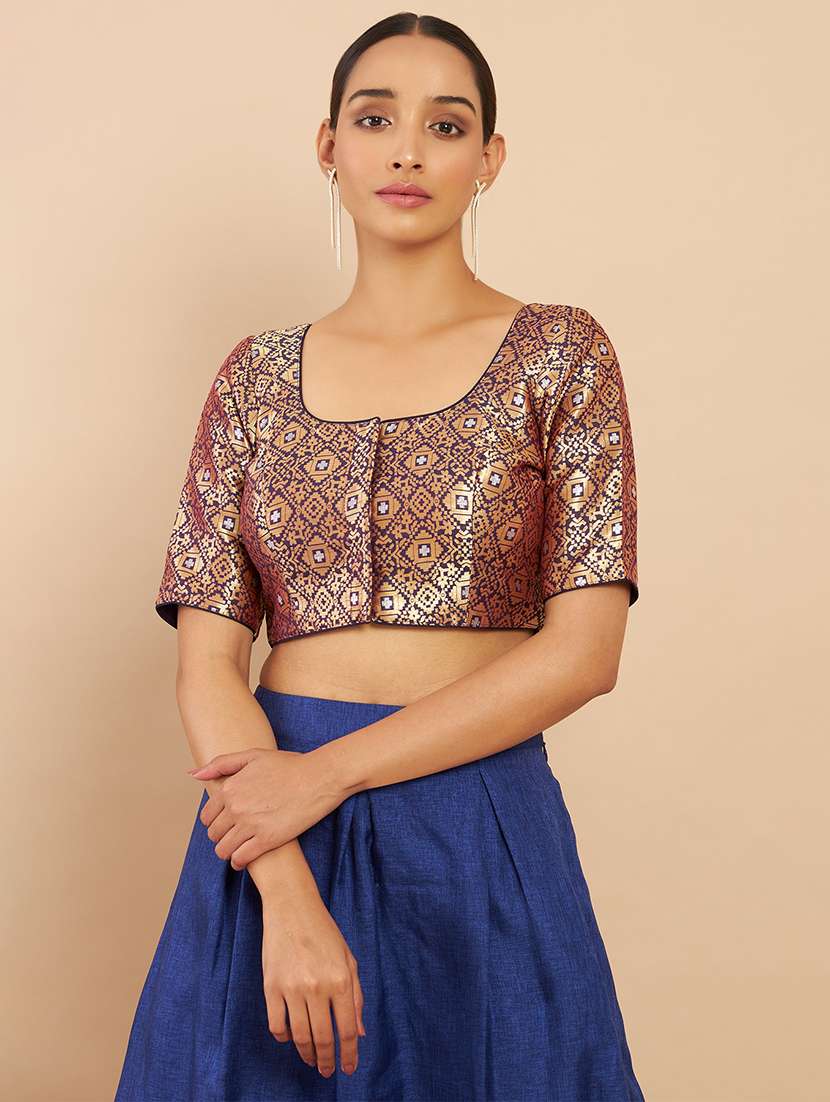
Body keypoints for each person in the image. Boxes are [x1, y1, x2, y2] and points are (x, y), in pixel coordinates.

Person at [115, 12, 645, 1102]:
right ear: (328, 146)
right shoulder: (253, 380)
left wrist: (324, 776)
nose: (407, 150)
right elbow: (207, 665)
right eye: (373, 119)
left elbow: (584, 654)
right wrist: (282, 884)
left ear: (489, 158)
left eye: (445, 125)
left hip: (475, 819)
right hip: (267, 824)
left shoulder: (560, 355)